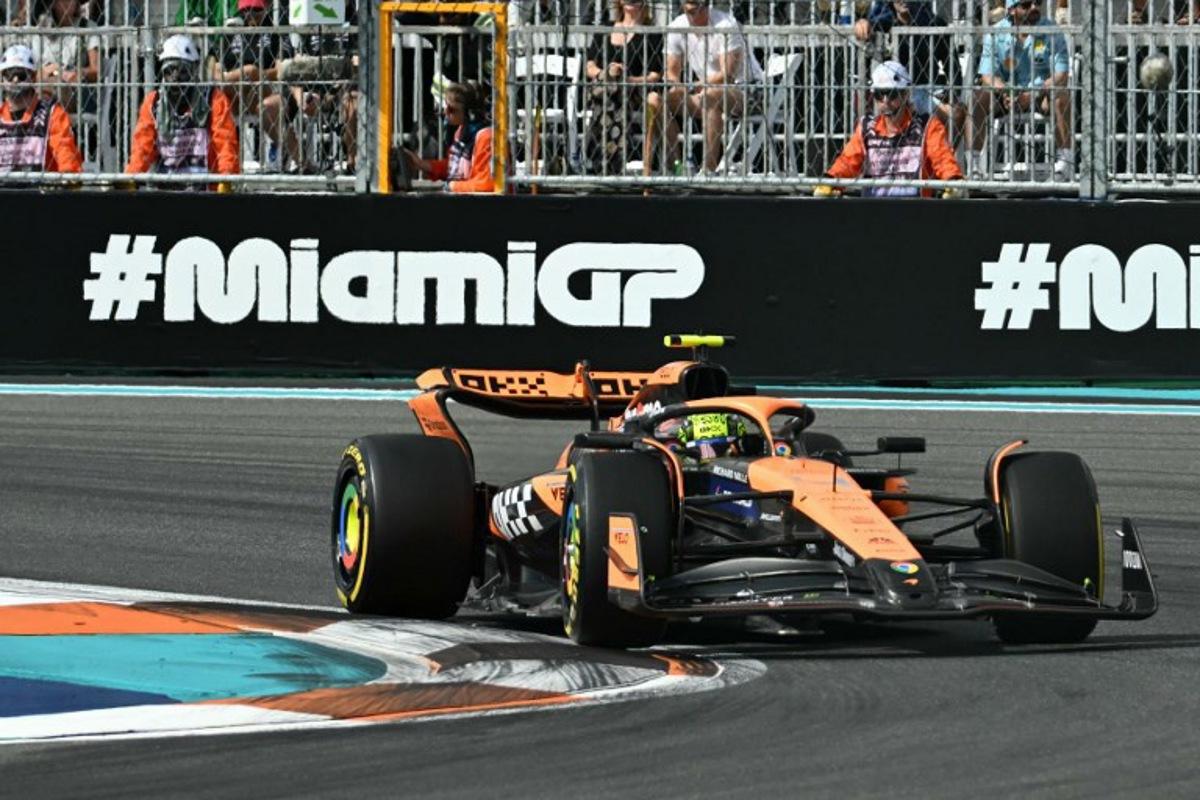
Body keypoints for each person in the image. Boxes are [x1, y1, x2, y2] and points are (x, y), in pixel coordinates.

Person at [817, 61, 963, 197]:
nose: (886, 101)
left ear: (905, 94)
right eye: (880, 95)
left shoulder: (927, 126)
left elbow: (942, 158)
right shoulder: (867, 127)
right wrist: (831, 180)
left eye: (892, 94)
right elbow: (848, 161)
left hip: (917, 212)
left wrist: (953, 180)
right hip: (874, 212)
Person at [969, 0, 1073, 180]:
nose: (1034, 8)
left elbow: (1061, 75)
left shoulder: (1051, 30)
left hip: (1041, 94)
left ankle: (1065, 164)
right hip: (1006, 94)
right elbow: (987, 76)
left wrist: (1034, 93)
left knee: (1061, 96)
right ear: (1011, 10)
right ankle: (974, 166)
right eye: (1025, 4)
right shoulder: (996, 32)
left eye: (1037, 2)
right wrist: (1006, 91)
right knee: (978, 97)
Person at [664, 0, 763, 173]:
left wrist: (694, 86)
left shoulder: (726, 24)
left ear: (707, 5)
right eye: (689, 12)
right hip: (706, 92)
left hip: (748, 90)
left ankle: (708, 170)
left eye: (697, 10)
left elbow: (728, 75)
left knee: (711, 94)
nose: (693, 17)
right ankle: (676, 167)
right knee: (664, 100)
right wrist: (677, 86)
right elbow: (671, 72)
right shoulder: (677, 26)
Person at [126, 34, 239, 187]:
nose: (175, 78)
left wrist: (226, 178)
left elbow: (225, 143)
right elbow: (142, 147)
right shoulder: (154, 102)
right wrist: (132, 176)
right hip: (167, 188)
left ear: (193, 70)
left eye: (182, 71)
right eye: (169, 71)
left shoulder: (213, 98)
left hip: (206, 190)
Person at [853, 0, 964, 135]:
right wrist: (862, 23)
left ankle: (943, 153)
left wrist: (952, 98)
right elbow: (867, 27)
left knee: (958, 113)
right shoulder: (882, 24)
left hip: (926, 91)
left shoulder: (935, 24)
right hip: (892, 95)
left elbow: (953, 68)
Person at [584, 0, 666, 177]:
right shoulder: (605, 28)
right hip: (605, 86)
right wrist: (609, 73)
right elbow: (589, 67)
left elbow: (654, 75)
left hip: (634, 89)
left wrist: (627, 79)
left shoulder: (651, 32)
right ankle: (612, 160)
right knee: (612, 84)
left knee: (613, 89)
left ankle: (603, 159)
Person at [212, 0, 295, 171]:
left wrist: (255, 74)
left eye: (255, 10)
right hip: (234, 91)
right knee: (219, 95)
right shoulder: (232, 31)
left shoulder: (274, 32)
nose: (249, 15)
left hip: (263, 90)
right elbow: (214, 65)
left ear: (266, 8)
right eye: (245, 11)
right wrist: (242, 74)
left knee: (258, 89)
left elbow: (281, 70)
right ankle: (222, 159)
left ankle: (291, 153)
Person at [0, 43, 82, 174]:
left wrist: (68, 180)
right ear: (2, 78)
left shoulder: (52, 113)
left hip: (40, 192)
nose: (15, 79)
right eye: (9, 74)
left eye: (21, 74)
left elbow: (66, 156)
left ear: (33, 77)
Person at [401, 80, 494, 193]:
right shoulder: (461, 132)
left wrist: (452, 187)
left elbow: (486, 184)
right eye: (446, 107)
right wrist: (420, 164)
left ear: (470, 114)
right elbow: (453, 168)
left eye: (451, 109)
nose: (445, 112)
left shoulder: (486, 138)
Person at [32, 0, 101, 112]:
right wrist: (49, 71)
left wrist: (79, 73)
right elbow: (33, 71)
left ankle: (48, 116)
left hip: (77, 91)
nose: (69, 4)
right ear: (53, 4)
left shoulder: (87, 27)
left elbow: (96, 70)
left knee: (58, 88)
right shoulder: (41, 30)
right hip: (45, 83)